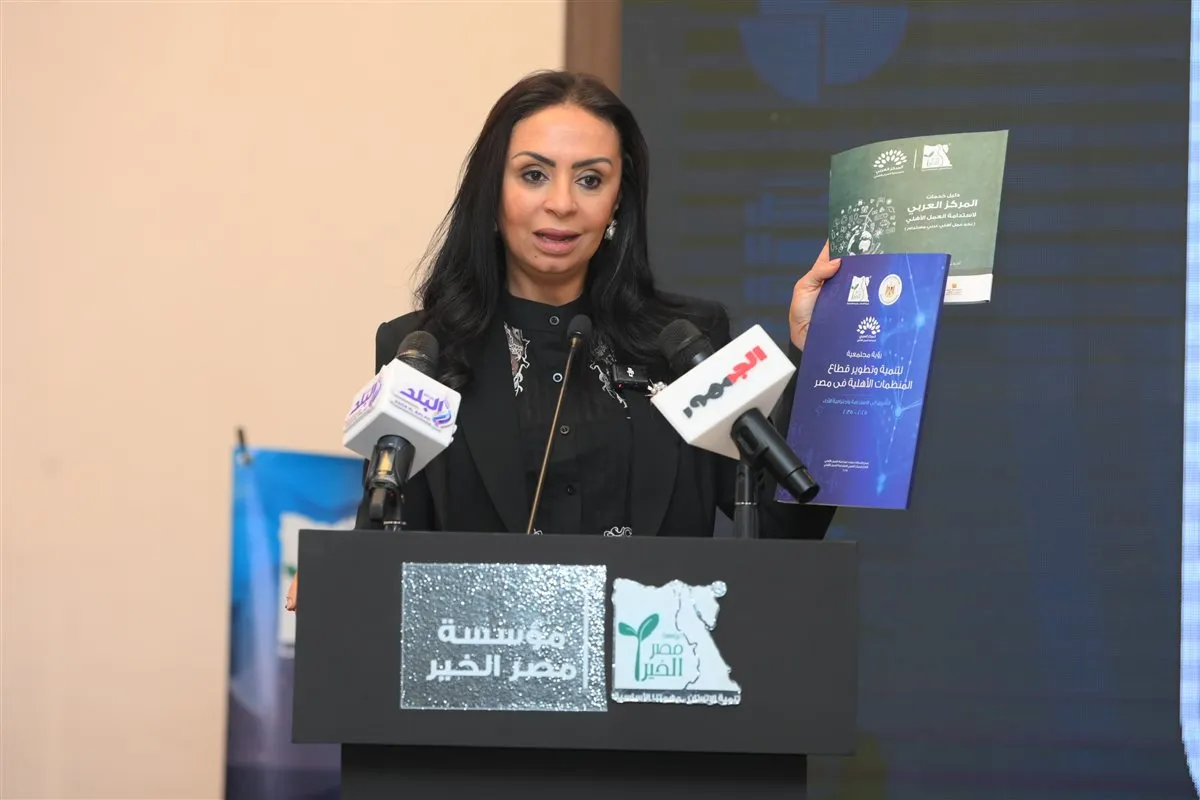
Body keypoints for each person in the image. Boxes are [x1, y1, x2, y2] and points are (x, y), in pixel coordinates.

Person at [286, 70, 841, 611]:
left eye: (590, 179)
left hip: (655, 657)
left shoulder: (683, 341)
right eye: (533, 175)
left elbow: (783, 524)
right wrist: (343, 570)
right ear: (491, 191)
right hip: (481, 658)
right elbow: (387, 529)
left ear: (618, 201)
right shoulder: (423, 349)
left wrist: (821, 352)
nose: (562, 204)